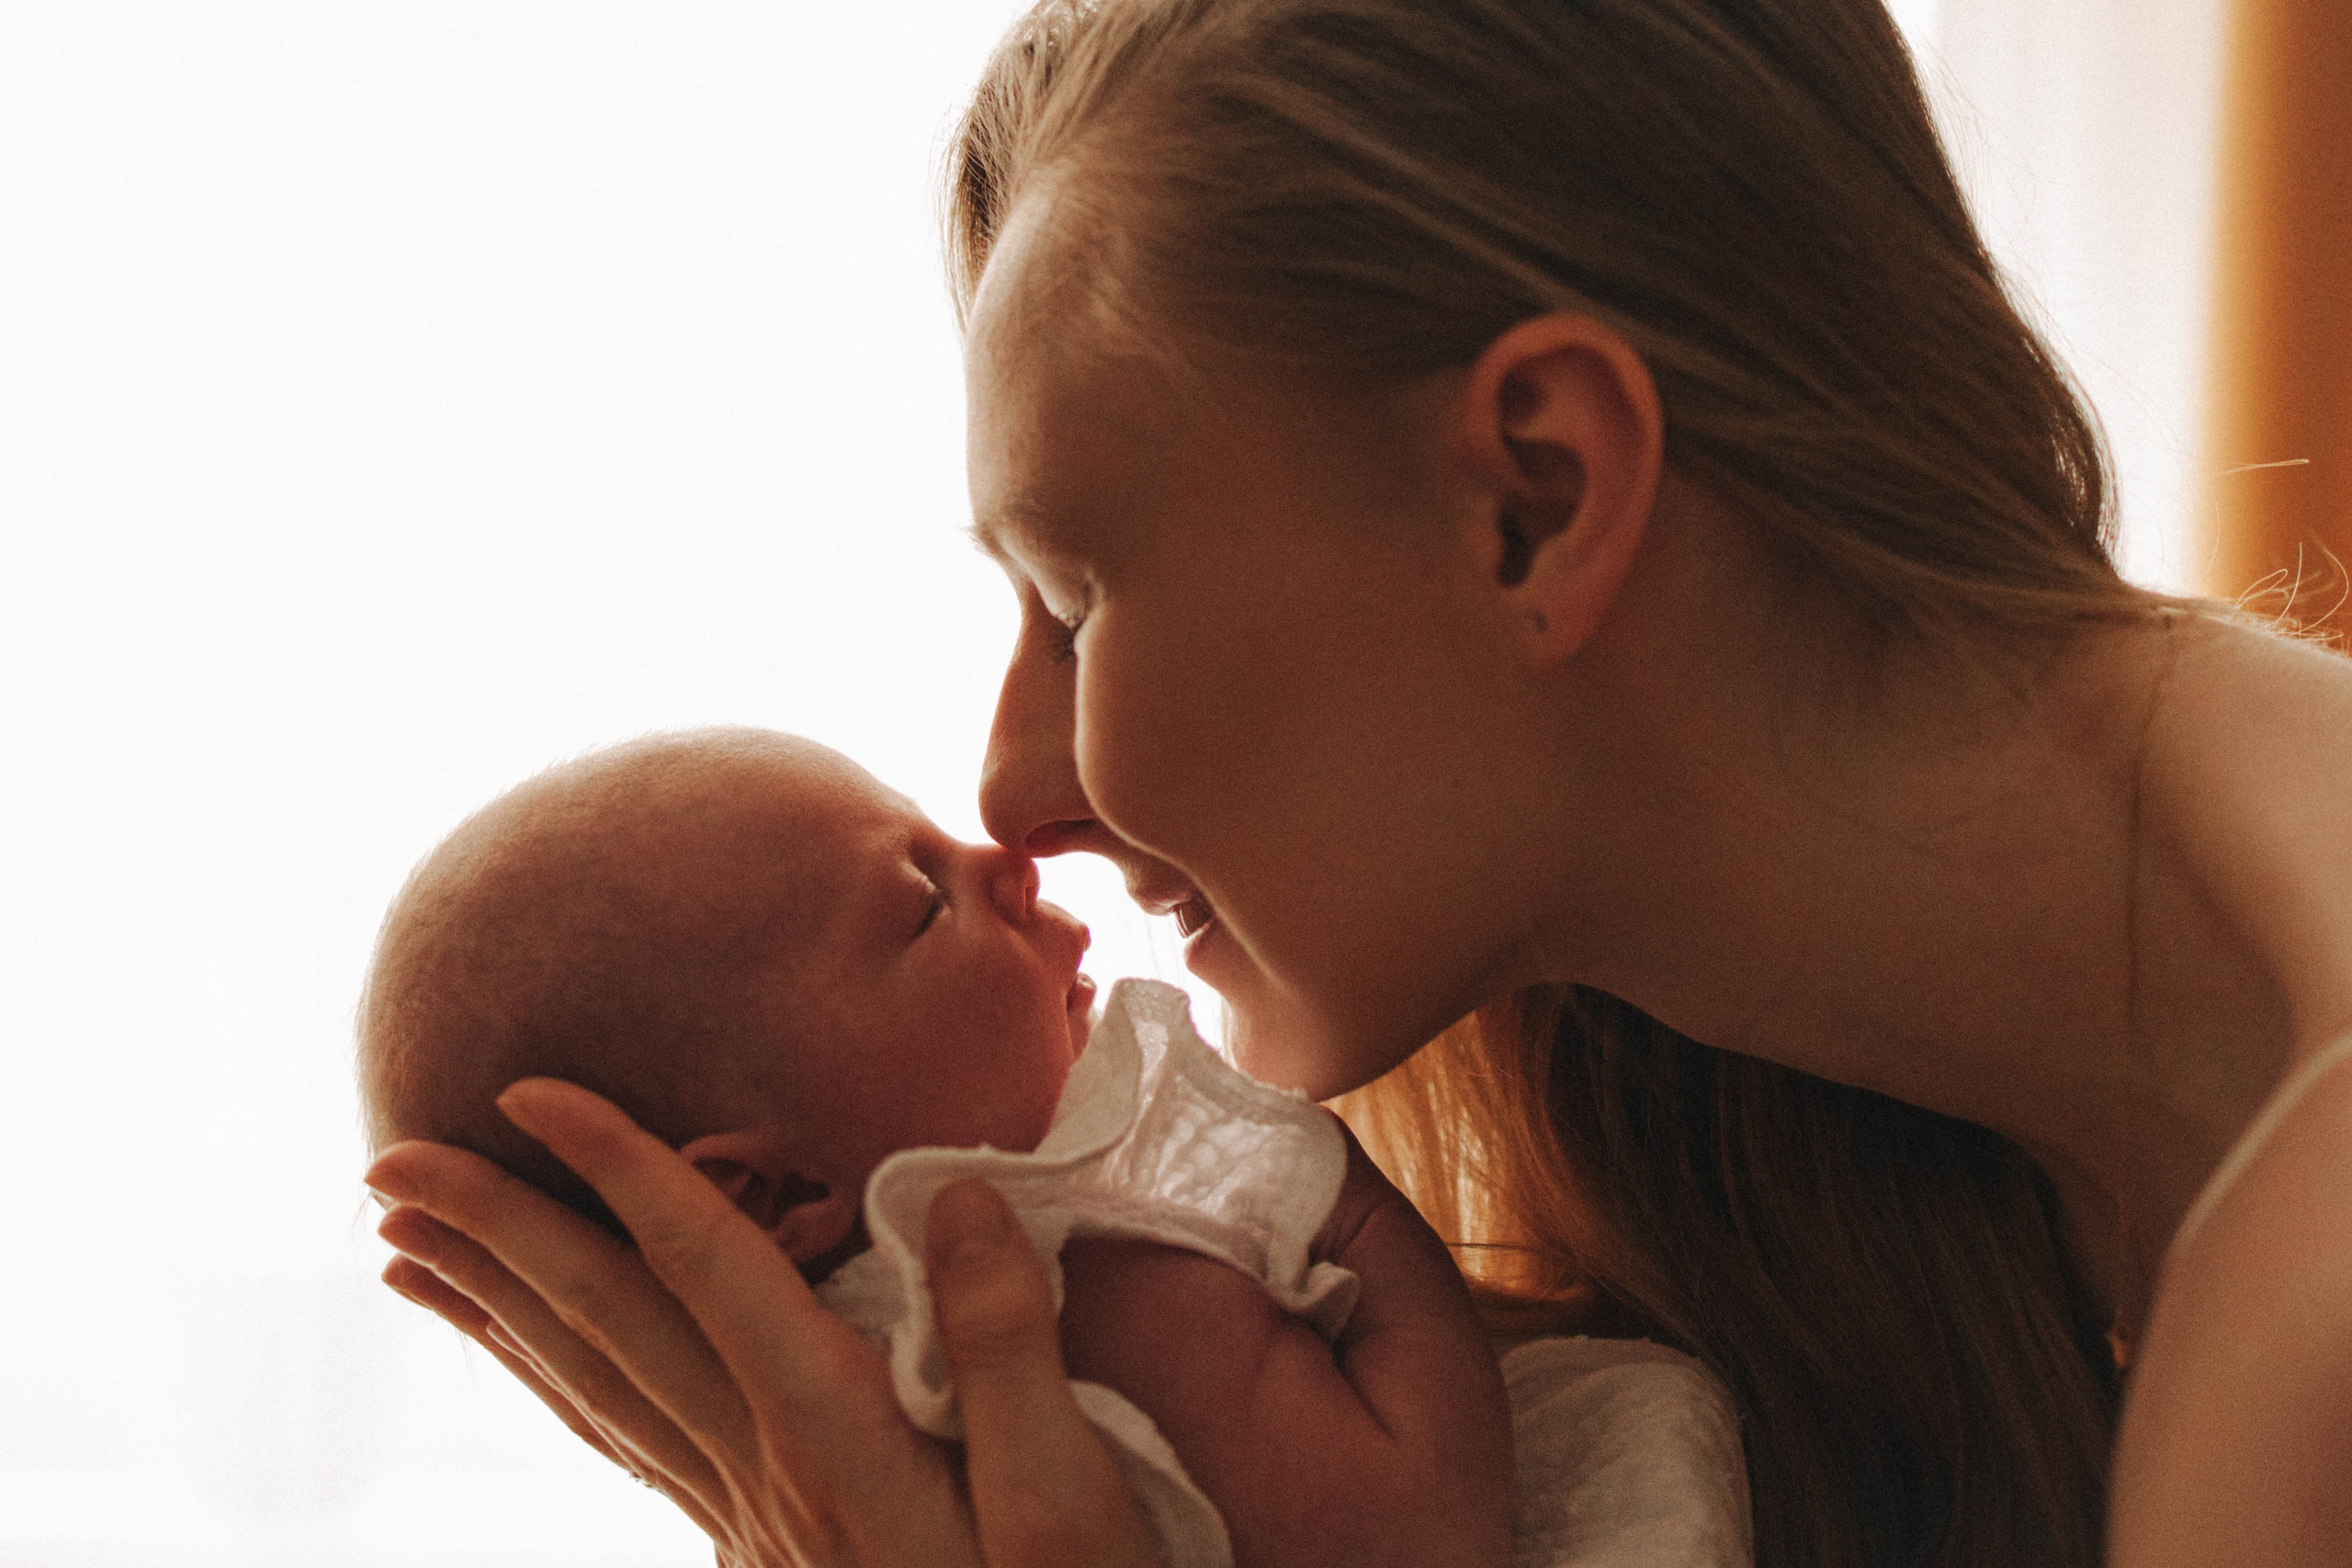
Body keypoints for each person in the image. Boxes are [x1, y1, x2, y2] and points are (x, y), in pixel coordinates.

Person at [363, 1, 2352, 1564]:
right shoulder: (1820, 1210)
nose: (1012, 787)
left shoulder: (2312, 1305)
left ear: (1532, 495)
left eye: (1073, 589)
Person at [356, 728, 1519, 1568]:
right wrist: (1348, 1197)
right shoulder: (1091, 1303)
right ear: (770, 1192)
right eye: (920, 899)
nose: (1007, 858)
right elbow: (1427, 1527)